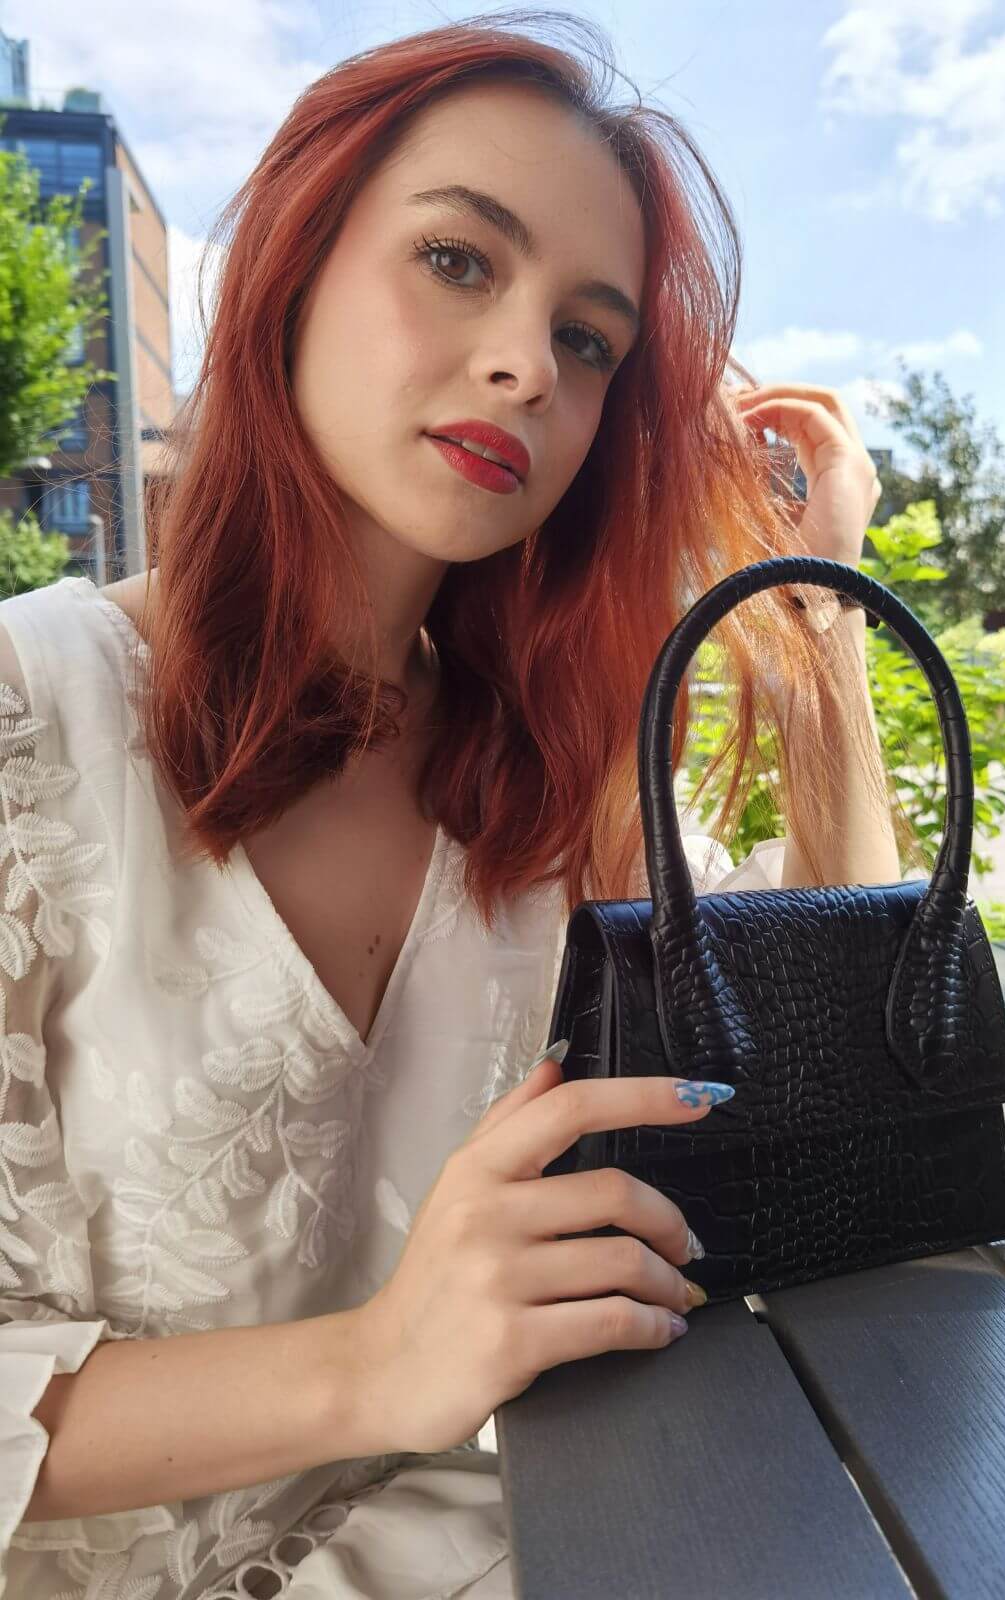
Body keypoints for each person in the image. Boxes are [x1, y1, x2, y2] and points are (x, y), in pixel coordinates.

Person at [0, 13, 897, 1598]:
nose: (527, 364)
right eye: (458, 260)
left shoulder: (554, 783)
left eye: (591, 341)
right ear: (292, 263)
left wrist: (820, 597)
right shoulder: (29, 718)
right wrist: (378, 1366)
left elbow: (853, 1054)